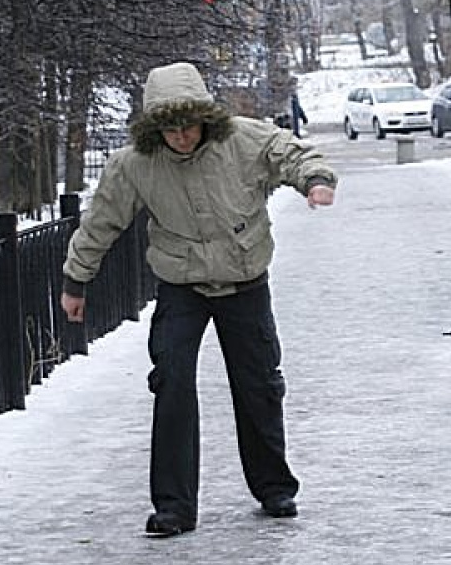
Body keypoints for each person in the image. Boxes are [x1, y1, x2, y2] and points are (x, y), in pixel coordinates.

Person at [59, 61, 337, 538]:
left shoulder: (242, 140)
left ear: (205, 118)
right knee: (171, 382)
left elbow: (290, 154)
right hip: (181, 286)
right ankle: (173, 506)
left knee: (259, 385)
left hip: (244, 281)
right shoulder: (134, 164)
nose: (181, 137)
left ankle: (274, 487)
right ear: (154, 129)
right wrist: (75, 281)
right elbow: (101, 221)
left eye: (189, 125)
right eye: (170, 128)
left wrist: (315, 181)